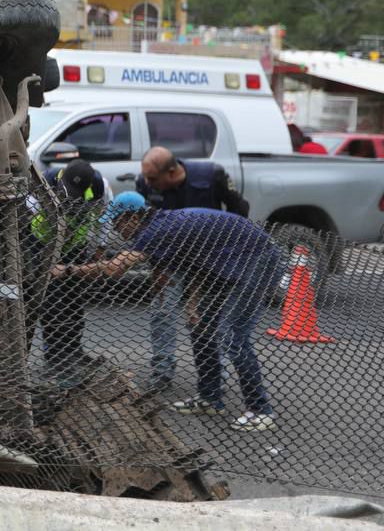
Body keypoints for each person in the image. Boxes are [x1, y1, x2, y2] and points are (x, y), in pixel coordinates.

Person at [55, 192, 281, 432]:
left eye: (117, 222)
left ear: (132, 217)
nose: (115, 229)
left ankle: (260, 410)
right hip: (232, 263)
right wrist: (193, 303)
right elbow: (199, 264)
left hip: (259, 259)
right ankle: (210, 398)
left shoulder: (156, 232)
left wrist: (67, 270)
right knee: (201, 327)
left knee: (234, 335)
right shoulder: (162, 229)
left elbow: (114, 268)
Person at [137, 146, 249, 393]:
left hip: (209, 258)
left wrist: (228, 253)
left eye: (153, 178)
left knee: (206, 316)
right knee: (162, 309)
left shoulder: (212, 176)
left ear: (173, 171)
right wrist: (157, 271)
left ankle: (214, 371)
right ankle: (162, 370)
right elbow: (148, 230)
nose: (147, 182)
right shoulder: (146, 184)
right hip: (171, 256)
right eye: (145, 177)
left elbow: (240, 210)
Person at [28, 159, 110, 384]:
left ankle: (74, 350)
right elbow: (26, 213)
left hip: (75, 247)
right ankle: (54, 359)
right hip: (43, 244)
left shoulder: (100, 187)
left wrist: (99, 249)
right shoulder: (46, 182)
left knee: (74, 301)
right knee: (52, 304)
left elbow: (103, 218)